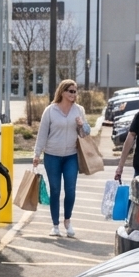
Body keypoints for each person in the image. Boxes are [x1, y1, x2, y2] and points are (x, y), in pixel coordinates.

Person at [31, 79, 91, 237]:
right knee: (55, 190)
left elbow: (85, 133)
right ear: (62, 92)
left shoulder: (79, 110)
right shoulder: (50, 111)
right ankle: (55, 225)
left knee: (70, 190)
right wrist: (37, 154)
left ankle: (67, 221)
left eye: (75, 91)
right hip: (52, 156)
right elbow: (42, 134)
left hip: (71, 156)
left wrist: (81, 124)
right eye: (70, 91)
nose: (73, 94)